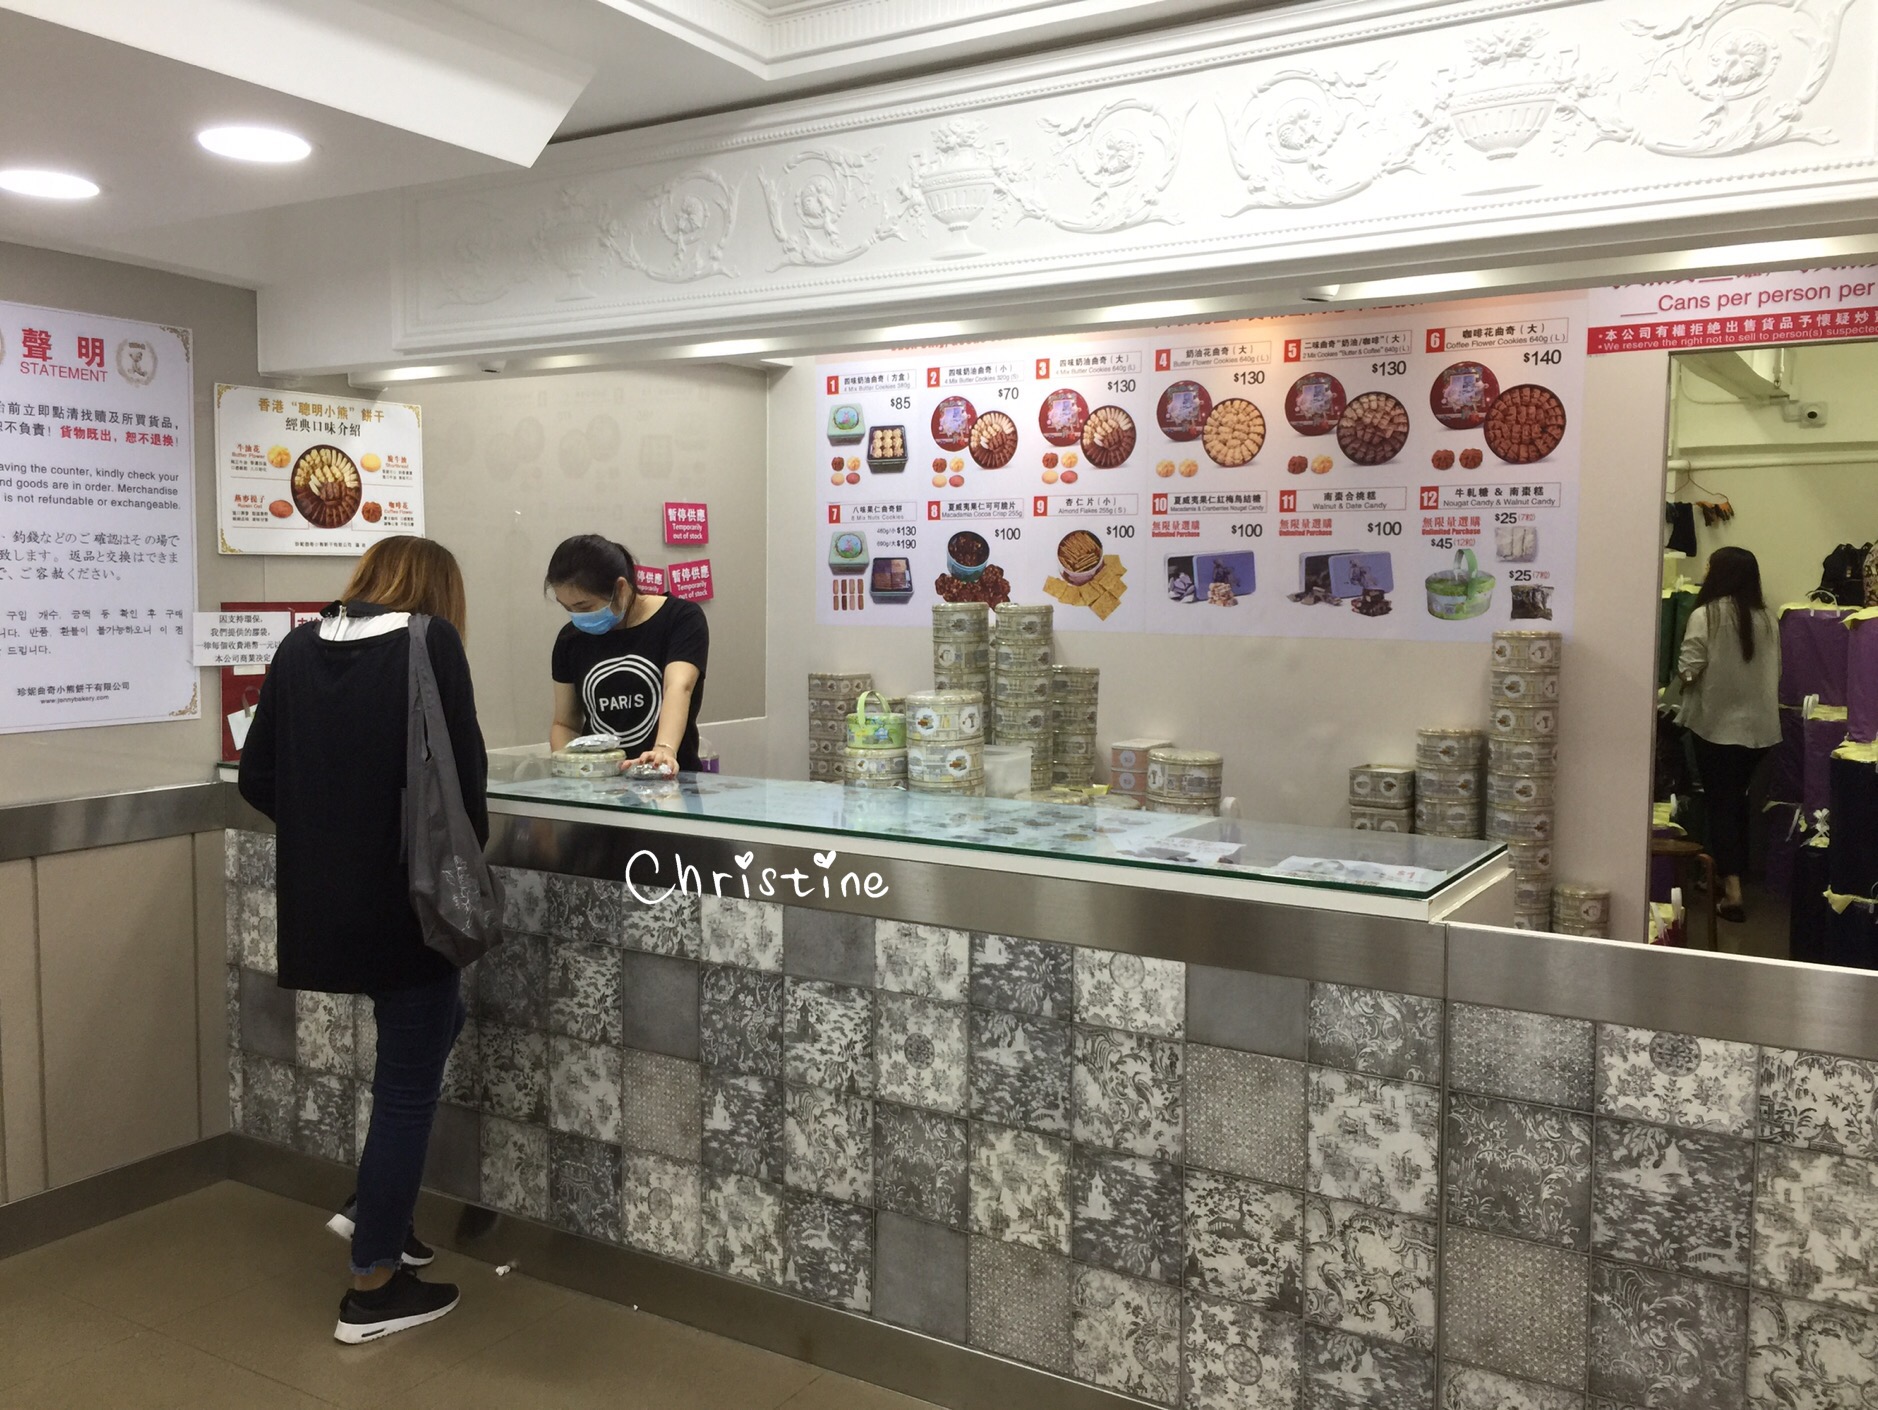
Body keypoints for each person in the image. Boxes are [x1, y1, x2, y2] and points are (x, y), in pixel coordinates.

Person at [237, 537, 486, 1343]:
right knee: (409, 1084)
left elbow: (257, 777)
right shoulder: (430, 641)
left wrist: (333, 836)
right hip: (412, 906)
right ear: (436, 590)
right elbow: (465, 779)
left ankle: (380, 1211)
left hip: (326, 906)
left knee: (431, 1033)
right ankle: (372, 1286)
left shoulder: (298, 646)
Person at [1676, 545, 1780, 922]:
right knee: (1737, 802)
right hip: (1761, 731)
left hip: (1716, 727)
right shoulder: (1767, 618)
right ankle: (1725, 876)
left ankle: (1733, 892)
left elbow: (1689, 668)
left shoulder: (1705, 615)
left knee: (1721, 805)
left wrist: (1684, 682)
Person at [545, 535, 709, 772]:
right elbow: (564, 723)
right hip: (602, 785)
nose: (577, 616)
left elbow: (678, 687)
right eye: (567, 608)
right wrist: (570, 767)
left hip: (671, 780)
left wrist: (663, 751)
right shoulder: (570, 639)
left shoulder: (680, 619)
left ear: (621, 589)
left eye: (584, 607)